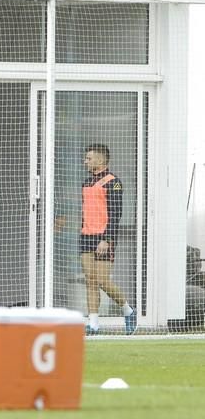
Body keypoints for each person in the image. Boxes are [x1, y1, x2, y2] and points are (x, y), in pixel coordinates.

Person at [81, 144, 137, 335]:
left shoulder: (113, 182)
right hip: (86, 236)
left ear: (101, 160)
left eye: (89, 158)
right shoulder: (86, 182)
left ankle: (128, 310)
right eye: (85, 158)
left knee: (103, 281)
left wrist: (107, 239)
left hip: (103, 238)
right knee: (90, 280)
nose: (85, 161)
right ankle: (94, 323)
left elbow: (116, 214)